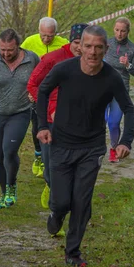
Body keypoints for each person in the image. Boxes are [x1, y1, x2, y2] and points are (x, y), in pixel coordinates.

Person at [36, 25, 134, 267]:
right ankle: (56, 214)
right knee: (61, 201)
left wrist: (125, 141)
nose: (92, 52)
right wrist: (42, 126)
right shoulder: (64, 70)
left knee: (81, 201)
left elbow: (128, 109)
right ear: (80, 47)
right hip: (61, 144)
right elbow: (43, 91)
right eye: (88, 46)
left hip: (91, 148)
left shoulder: (111, 77)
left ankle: (73, 251)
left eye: (98, 47)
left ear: (106, 48)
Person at [27, 23, 88, 212]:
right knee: (51, 163)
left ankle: (61, 205)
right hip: (50, 121)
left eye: (84, 44)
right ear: (71, 41)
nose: (80, 48)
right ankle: (50, 185)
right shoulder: (53, 59)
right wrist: (50, 106)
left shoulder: (91, 62)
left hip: (77, 122)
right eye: (77, 42)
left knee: (71, 163)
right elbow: (33, 84)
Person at [0, 29, 39, 209]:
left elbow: (42, 79)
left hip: (20, 112)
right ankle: (3, 191)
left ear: (18, 46)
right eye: (2, 50)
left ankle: (11, 185)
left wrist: (35, 93)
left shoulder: (32, 59)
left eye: (10, 50)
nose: (6, 54)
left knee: (9, 150)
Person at [21, 17, 69, 177]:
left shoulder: (63, 43)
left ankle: (57, 162)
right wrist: (30, 89)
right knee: (37, 125)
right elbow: (21, 63)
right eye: (43, 35)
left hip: (58, 93)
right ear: (38, 31)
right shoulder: (29, 42)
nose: (46, 39)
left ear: (56, 33)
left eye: (50, 36)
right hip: (37, 90)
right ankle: (39, 155)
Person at [104, 17, 134, 163]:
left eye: (123, 31)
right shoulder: (106, 43)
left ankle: (114, 148)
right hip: (102, 87)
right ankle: (95, 148)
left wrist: (128, 65)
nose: (119, 34)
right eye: (117, 30)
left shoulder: (133, 49)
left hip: (120, 90)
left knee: (113, 123)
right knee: (100, 120)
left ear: (128, 32)